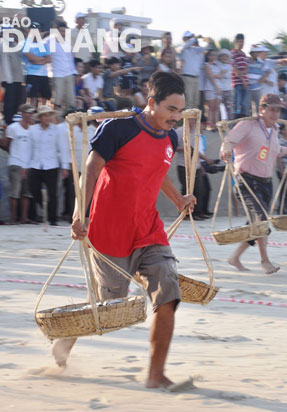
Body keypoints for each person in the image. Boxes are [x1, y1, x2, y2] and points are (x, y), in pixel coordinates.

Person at [58, 72, 196, 390]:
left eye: (180, 110)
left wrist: (179, 199)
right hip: (108, 230)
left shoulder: (170, 138)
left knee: (168, 294)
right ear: (151, 103)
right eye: (171, 109)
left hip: (148, 230)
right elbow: (92, 168)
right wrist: (81, 213)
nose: (176, 117)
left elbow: (157, 171)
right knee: (110, 306)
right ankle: (67, 336)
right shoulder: (118, 127)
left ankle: (155, 374)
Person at [220, 94, 287, 274]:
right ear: (261, 109)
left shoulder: (275, 130)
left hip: (266, 183)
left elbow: (275, 151)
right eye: (271, 109)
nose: (275, 113)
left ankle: (235, 257)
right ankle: (265, 262)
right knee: (261, 219)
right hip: (246, 181)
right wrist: (226, 152)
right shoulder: (247, 125)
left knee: (254, 224)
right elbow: (228, 141)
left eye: (278, 110)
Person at [28, 106, 70, 226]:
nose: (48, 118)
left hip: (51, 165)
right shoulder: (32, 130)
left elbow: (62, 148)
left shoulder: (57, 131)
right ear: (40, 117)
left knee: (53, 193)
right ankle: (44, 208)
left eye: (49, 115)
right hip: (35, 164)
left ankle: (52, 218)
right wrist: (25, 166)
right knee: (33, 189)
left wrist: (65, 166)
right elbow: (29, 149)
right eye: (45, 115)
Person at [2, 104, 35, 224]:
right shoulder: (13, 127)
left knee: (26, 193)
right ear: (22, 113)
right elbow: (6, 144)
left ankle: (24, 218)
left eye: (32, 113)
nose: (31, 115)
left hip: (29, 163)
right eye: (28, 112)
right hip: (16, 163)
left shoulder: (33, 128)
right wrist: (15, 156)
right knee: (15, 192)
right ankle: (13, 218)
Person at [175, 117, 207, 220]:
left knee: (199, 189)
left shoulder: (196, 133)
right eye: (192, 119)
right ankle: (185, 213)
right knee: (186, 190)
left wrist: (201, 165)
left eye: (195, 120)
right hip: (183, 164)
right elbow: (173, 147)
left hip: (195, 165)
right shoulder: (179, 131)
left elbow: (196, 150)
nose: (194, 122)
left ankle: (197, 212)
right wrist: (184, 148)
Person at [47, 21, 77, 109]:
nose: (62, 33)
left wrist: (74, 73)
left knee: (71, 99)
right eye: (61, 31)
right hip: (57, 74)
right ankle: (56, 119)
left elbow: (71, 58)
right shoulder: (49, 42)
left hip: (69, 74)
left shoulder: (68, 42)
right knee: (57, 98)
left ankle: (70, 118)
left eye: (64, 31)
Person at [0, 25, 25, 125]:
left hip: (18, 79)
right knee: (9, 102)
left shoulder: (15, 44)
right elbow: (4, 62)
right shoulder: (2, 45)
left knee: (17, 102)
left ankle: (13, 121)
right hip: (8, 79)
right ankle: (7, 122)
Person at [23, 23, 51, 108]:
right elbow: (30, 57)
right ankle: (33, 115)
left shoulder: (43, 44)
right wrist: (42, 59)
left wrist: (37, 60)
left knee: (45, 97)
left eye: (38, 30)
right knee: (33, 98)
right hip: (31, 74)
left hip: (44, 74)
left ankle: (43, 114)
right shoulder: (26, 43)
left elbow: (49, 58)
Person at [180, 31, 207, 109]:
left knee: (196, 102)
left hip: (196, 78)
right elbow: (188, 44)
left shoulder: (196, 50)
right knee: (189, 101)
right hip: (187, 77)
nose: (191, 40)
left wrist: (208, 40)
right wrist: (195, 37)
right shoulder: (183, 48)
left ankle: (194, 120)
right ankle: (187, 120)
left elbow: (205, 47)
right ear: (184, 39)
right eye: (189, 38)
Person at [231, 33, 250, 118]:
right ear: (235, 42)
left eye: (242, 42)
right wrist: (243, 80)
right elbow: (235, 70)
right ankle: (235, 122)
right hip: (237, 83)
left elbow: (246, 68)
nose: (241, 43)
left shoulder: (243, 54)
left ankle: (243, 122)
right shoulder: (232, 53)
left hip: (245, 82)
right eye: (239, 41)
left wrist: (243, 73)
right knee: (237, 104)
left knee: (245, 104)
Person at [202, 49, 222, 128]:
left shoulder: (217, 65)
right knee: (211, 107)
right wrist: (216, 87)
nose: (214, 57)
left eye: (215, 55)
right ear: (208, 56)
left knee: (216, 107)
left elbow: (220, 76)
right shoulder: (206, 65)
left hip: (219, 87)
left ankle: (216, 124)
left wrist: (215, 75)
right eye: (212, 55)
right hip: (210, 88)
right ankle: (210, 125)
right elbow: (210, 77)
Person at [216, 49, 234, 120]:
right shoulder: (217, 64)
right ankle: (219, 123)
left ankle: (230, 124)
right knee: (218, 108)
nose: (224, 58)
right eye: (222, 56)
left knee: (229, 107)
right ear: (219, 57)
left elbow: (228, 75)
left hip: (228, 89)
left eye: (226, 56)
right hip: (219, 89)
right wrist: (222, 72)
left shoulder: (229, 66)